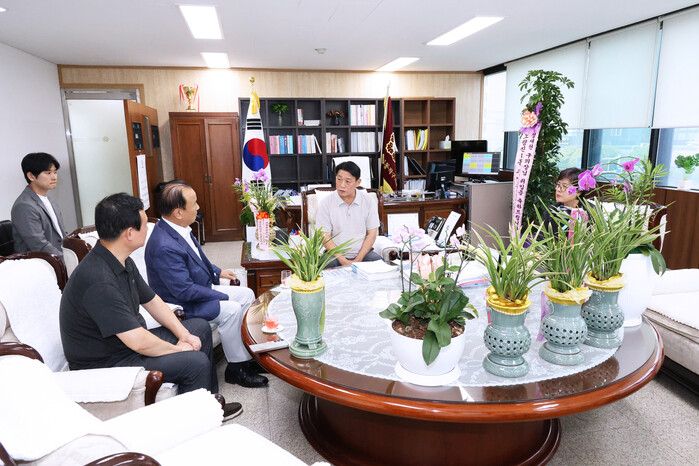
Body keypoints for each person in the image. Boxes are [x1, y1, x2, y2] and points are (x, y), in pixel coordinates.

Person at [59, 193, 241, 418]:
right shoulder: (98, 279)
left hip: (124, 346)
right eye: (145, 224)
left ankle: (209, 405)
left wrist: (184, 335)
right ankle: (195, 421)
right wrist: (178, 349)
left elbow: (152, 301)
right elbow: (138, 341)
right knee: (194, 362)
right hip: (108, 361)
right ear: (129, 233)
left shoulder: (120, 259)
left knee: (199, 328)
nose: (148, 229)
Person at [145, 181, 267, 388]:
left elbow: (197, 258)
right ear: (178, 212)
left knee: (246, 294)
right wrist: (221, 296)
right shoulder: (164, 246)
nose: (198, 207)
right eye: (194, 203)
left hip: (197, 290)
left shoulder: (178, 228)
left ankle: (246, 356)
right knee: (231, 309)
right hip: (182, 304)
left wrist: (218, 272)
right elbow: (184, 291)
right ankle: (236, 368)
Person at [316, 161, 382, 268]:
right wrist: (343, 260)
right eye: (339, 179)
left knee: (379, 264)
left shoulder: (368, 201)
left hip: (363, 253)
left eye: (348, 181)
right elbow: (325, 237)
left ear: (358, 182)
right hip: (334, 255)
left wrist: (358, 259)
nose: (342, 185)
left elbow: (371, 234)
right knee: (325, 266)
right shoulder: (326, 203)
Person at [11, 152, 65, 257]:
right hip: (40, 262)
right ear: (31, 176)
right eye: (48, 173)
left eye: (55, 172)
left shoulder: (49, 199)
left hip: (58, 257)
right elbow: (39, 246)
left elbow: (61, 234)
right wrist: (67, 261)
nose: (54, 177)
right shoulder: (24, 206)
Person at [541, 167, 589, 235]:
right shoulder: (552, 210)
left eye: (565, 186)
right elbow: (541, 237)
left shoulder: (589, 212)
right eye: (558, 185)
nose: (558, 189)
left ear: (579, 191)